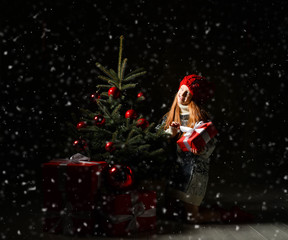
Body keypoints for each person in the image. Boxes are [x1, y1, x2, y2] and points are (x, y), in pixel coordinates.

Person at [162, 74, 219, 223]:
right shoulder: (171, 115)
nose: (183, 94)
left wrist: (201, 149)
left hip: (194, 171)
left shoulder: (201, 117)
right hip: (175, 169)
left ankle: (222, 215)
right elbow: (156, 138)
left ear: (194, 98)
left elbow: (211, 140)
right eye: (182, 89)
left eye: (188, 93)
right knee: (169, 214)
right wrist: (170, 134)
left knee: (191, 217)